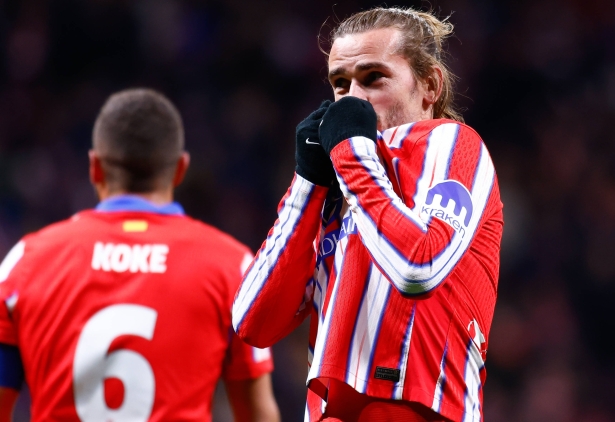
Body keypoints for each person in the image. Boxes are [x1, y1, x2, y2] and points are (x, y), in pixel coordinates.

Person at [233, 6, 503, 422]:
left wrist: (351, 154)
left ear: (430, 86)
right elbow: (253, 322)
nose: (353, 100)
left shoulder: (453, 145)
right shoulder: (337, 183)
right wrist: (307, 182)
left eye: (373, 78)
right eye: (340, 84)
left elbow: (418, 269)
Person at [0, 89, 280, 422]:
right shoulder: (233, 268)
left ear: (94, 168)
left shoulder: (26, 262)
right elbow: (258, 415)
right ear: (180, 169)